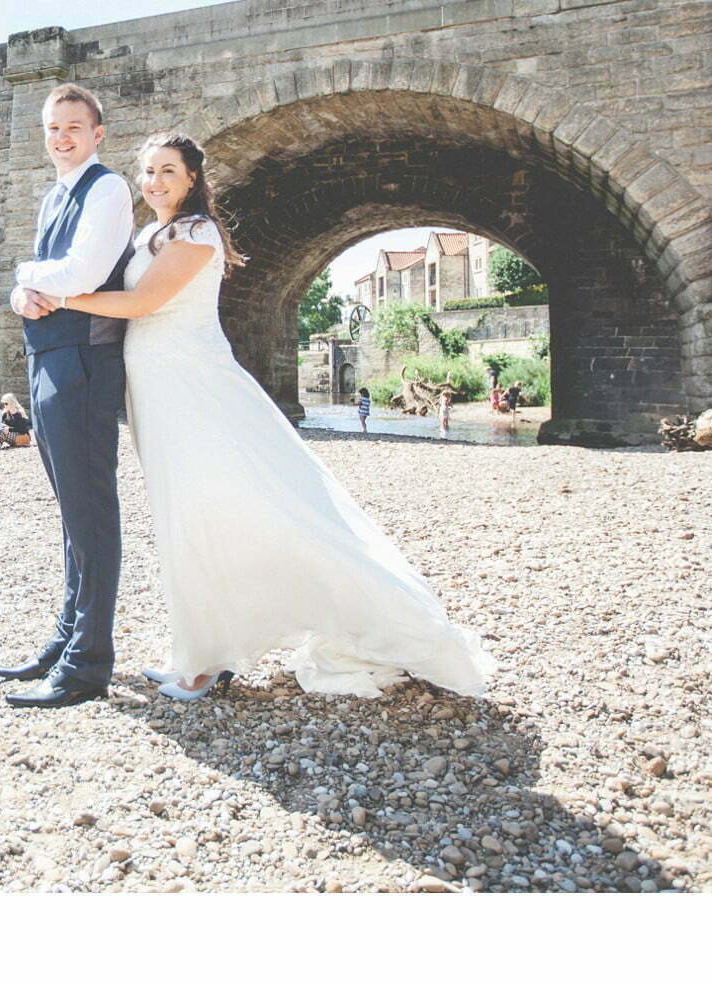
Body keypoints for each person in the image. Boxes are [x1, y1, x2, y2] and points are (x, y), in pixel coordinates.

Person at [38, 132, 493, 703]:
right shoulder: (151, 233)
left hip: (192, 388)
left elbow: (140, 304)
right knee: (187, 515)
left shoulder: (196, 233)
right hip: (158, 389)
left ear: (192, 180)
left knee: (212, 511)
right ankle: (198, 653)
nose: (154, 182)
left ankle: (206, 666)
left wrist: (53, 295)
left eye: (168, 172)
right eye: (148, 172)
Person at [0, 82, 135, 709]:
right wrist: (22, 295)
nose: (62, 137)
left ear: (97, 133)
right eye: (54, 128)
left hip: (83, 359)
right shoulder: (58, 193)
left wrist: (24, 278)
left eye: (74, 127)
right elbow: (42, 286)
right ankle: (65, 639)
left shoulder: (106, 189)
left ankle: (87, 666)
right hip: (49, 358)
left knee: (91, 512)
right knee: (71, 512)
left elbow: (79, 274)